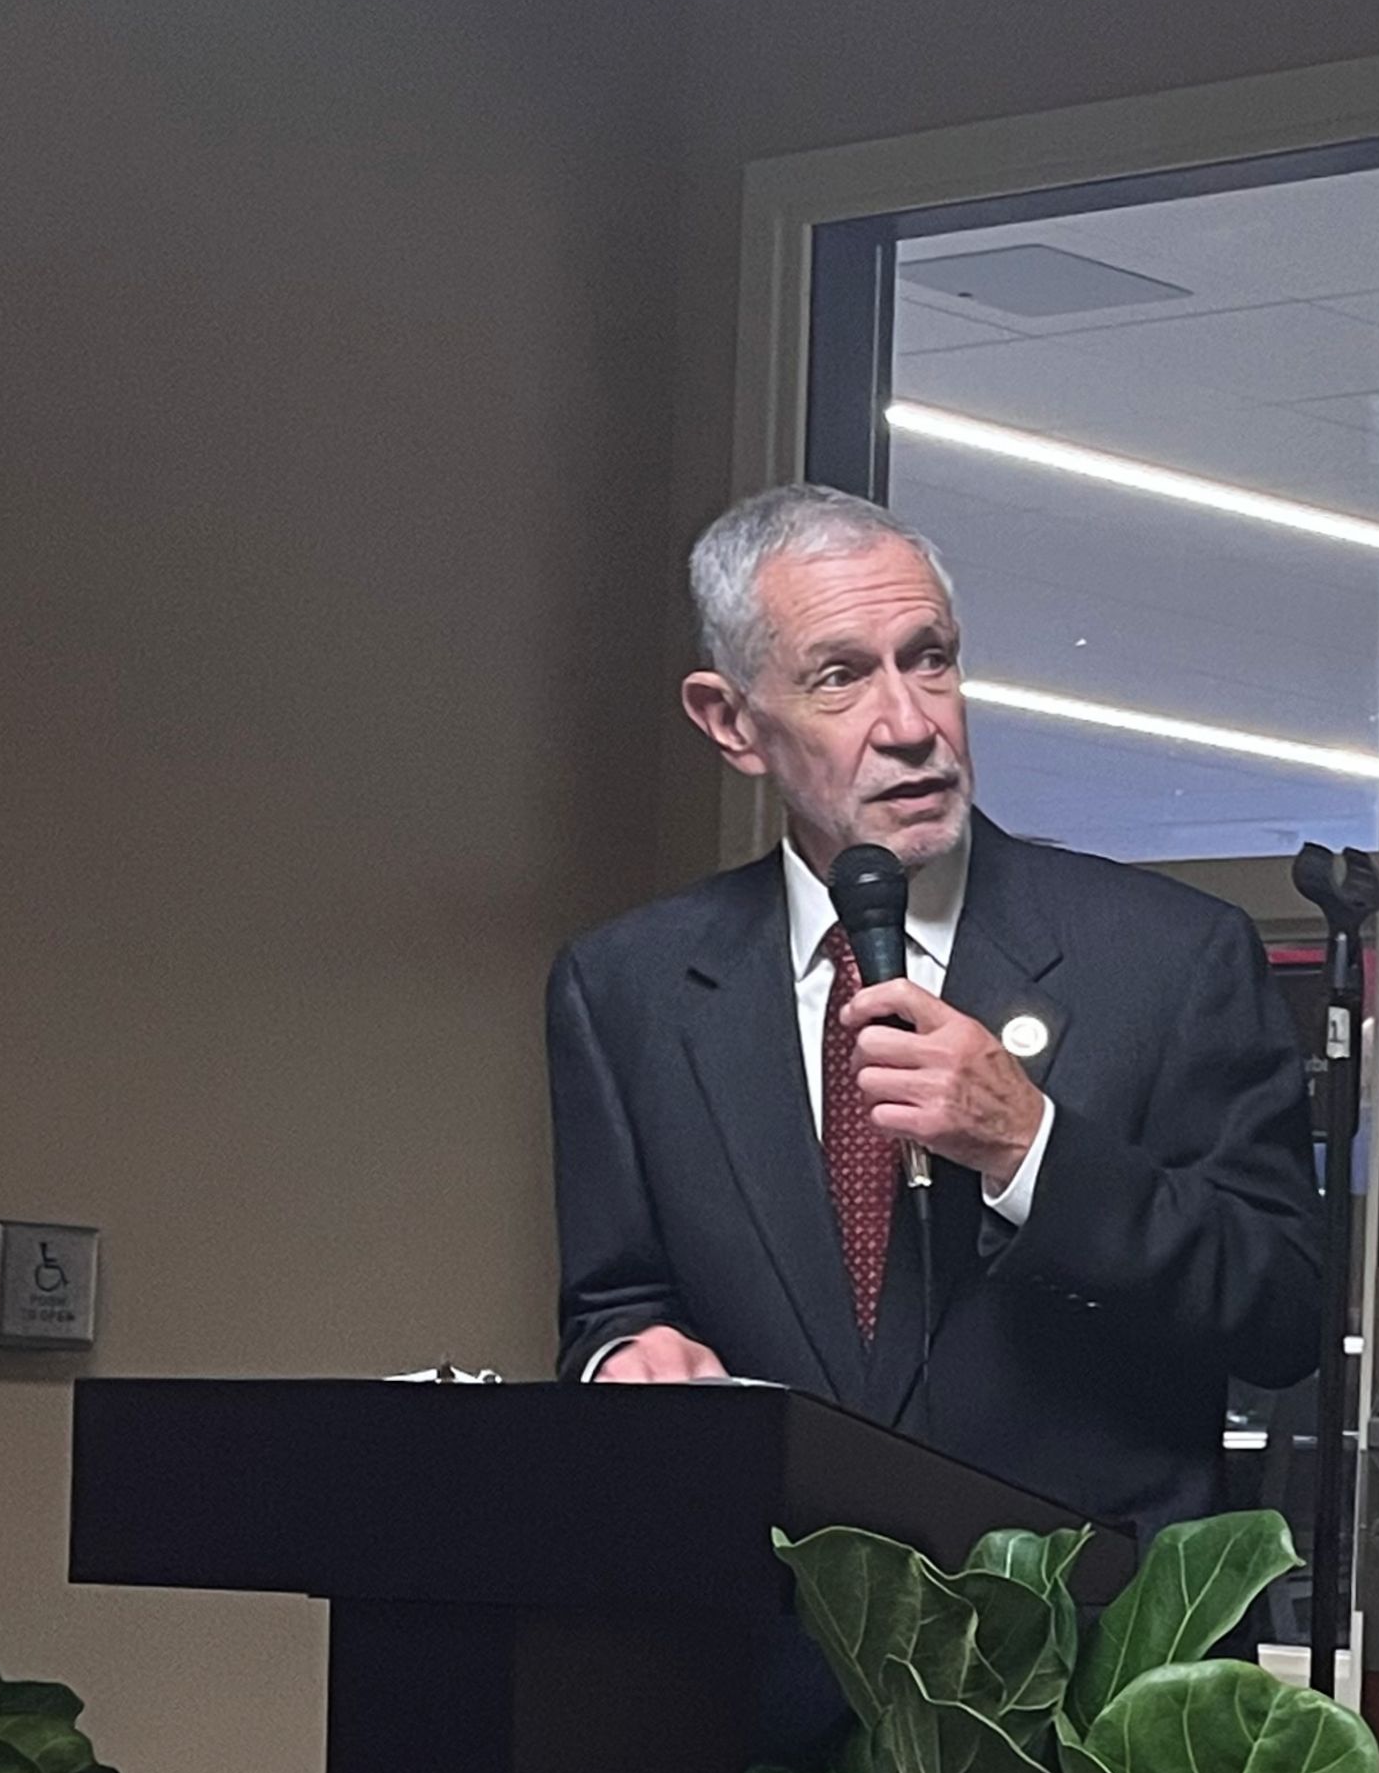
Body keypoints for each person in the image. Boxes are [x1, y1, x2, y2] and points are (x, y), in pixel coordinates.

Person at [546, 484, 1327, 1560]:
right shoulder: (627, 985)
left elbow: (1282, 1311)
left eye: (931, 658)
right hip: (761, 1670)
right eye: (841, 676)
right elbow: (614, 1299)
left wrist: (1030, 1147)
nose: (911, 724)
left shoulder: (1170, 957)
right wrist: (627, 1355)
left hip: (1083, 1680)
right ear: (730, 722)